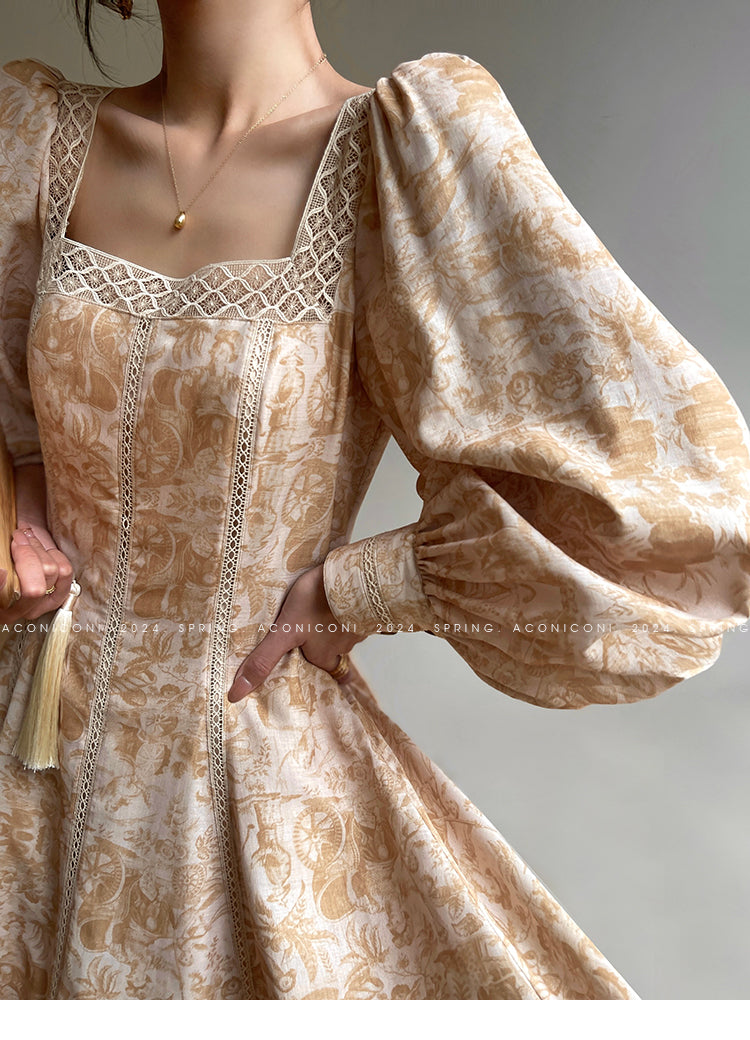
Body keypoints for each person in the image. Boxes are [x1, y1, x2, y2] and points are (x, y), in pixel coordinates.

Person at [1, 0, 749, 1001]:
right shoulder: (28, 137)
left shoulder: (397, 151)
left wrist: (368, 586)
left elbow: (678, 507)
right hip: (21, 770)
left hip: (245, 778)